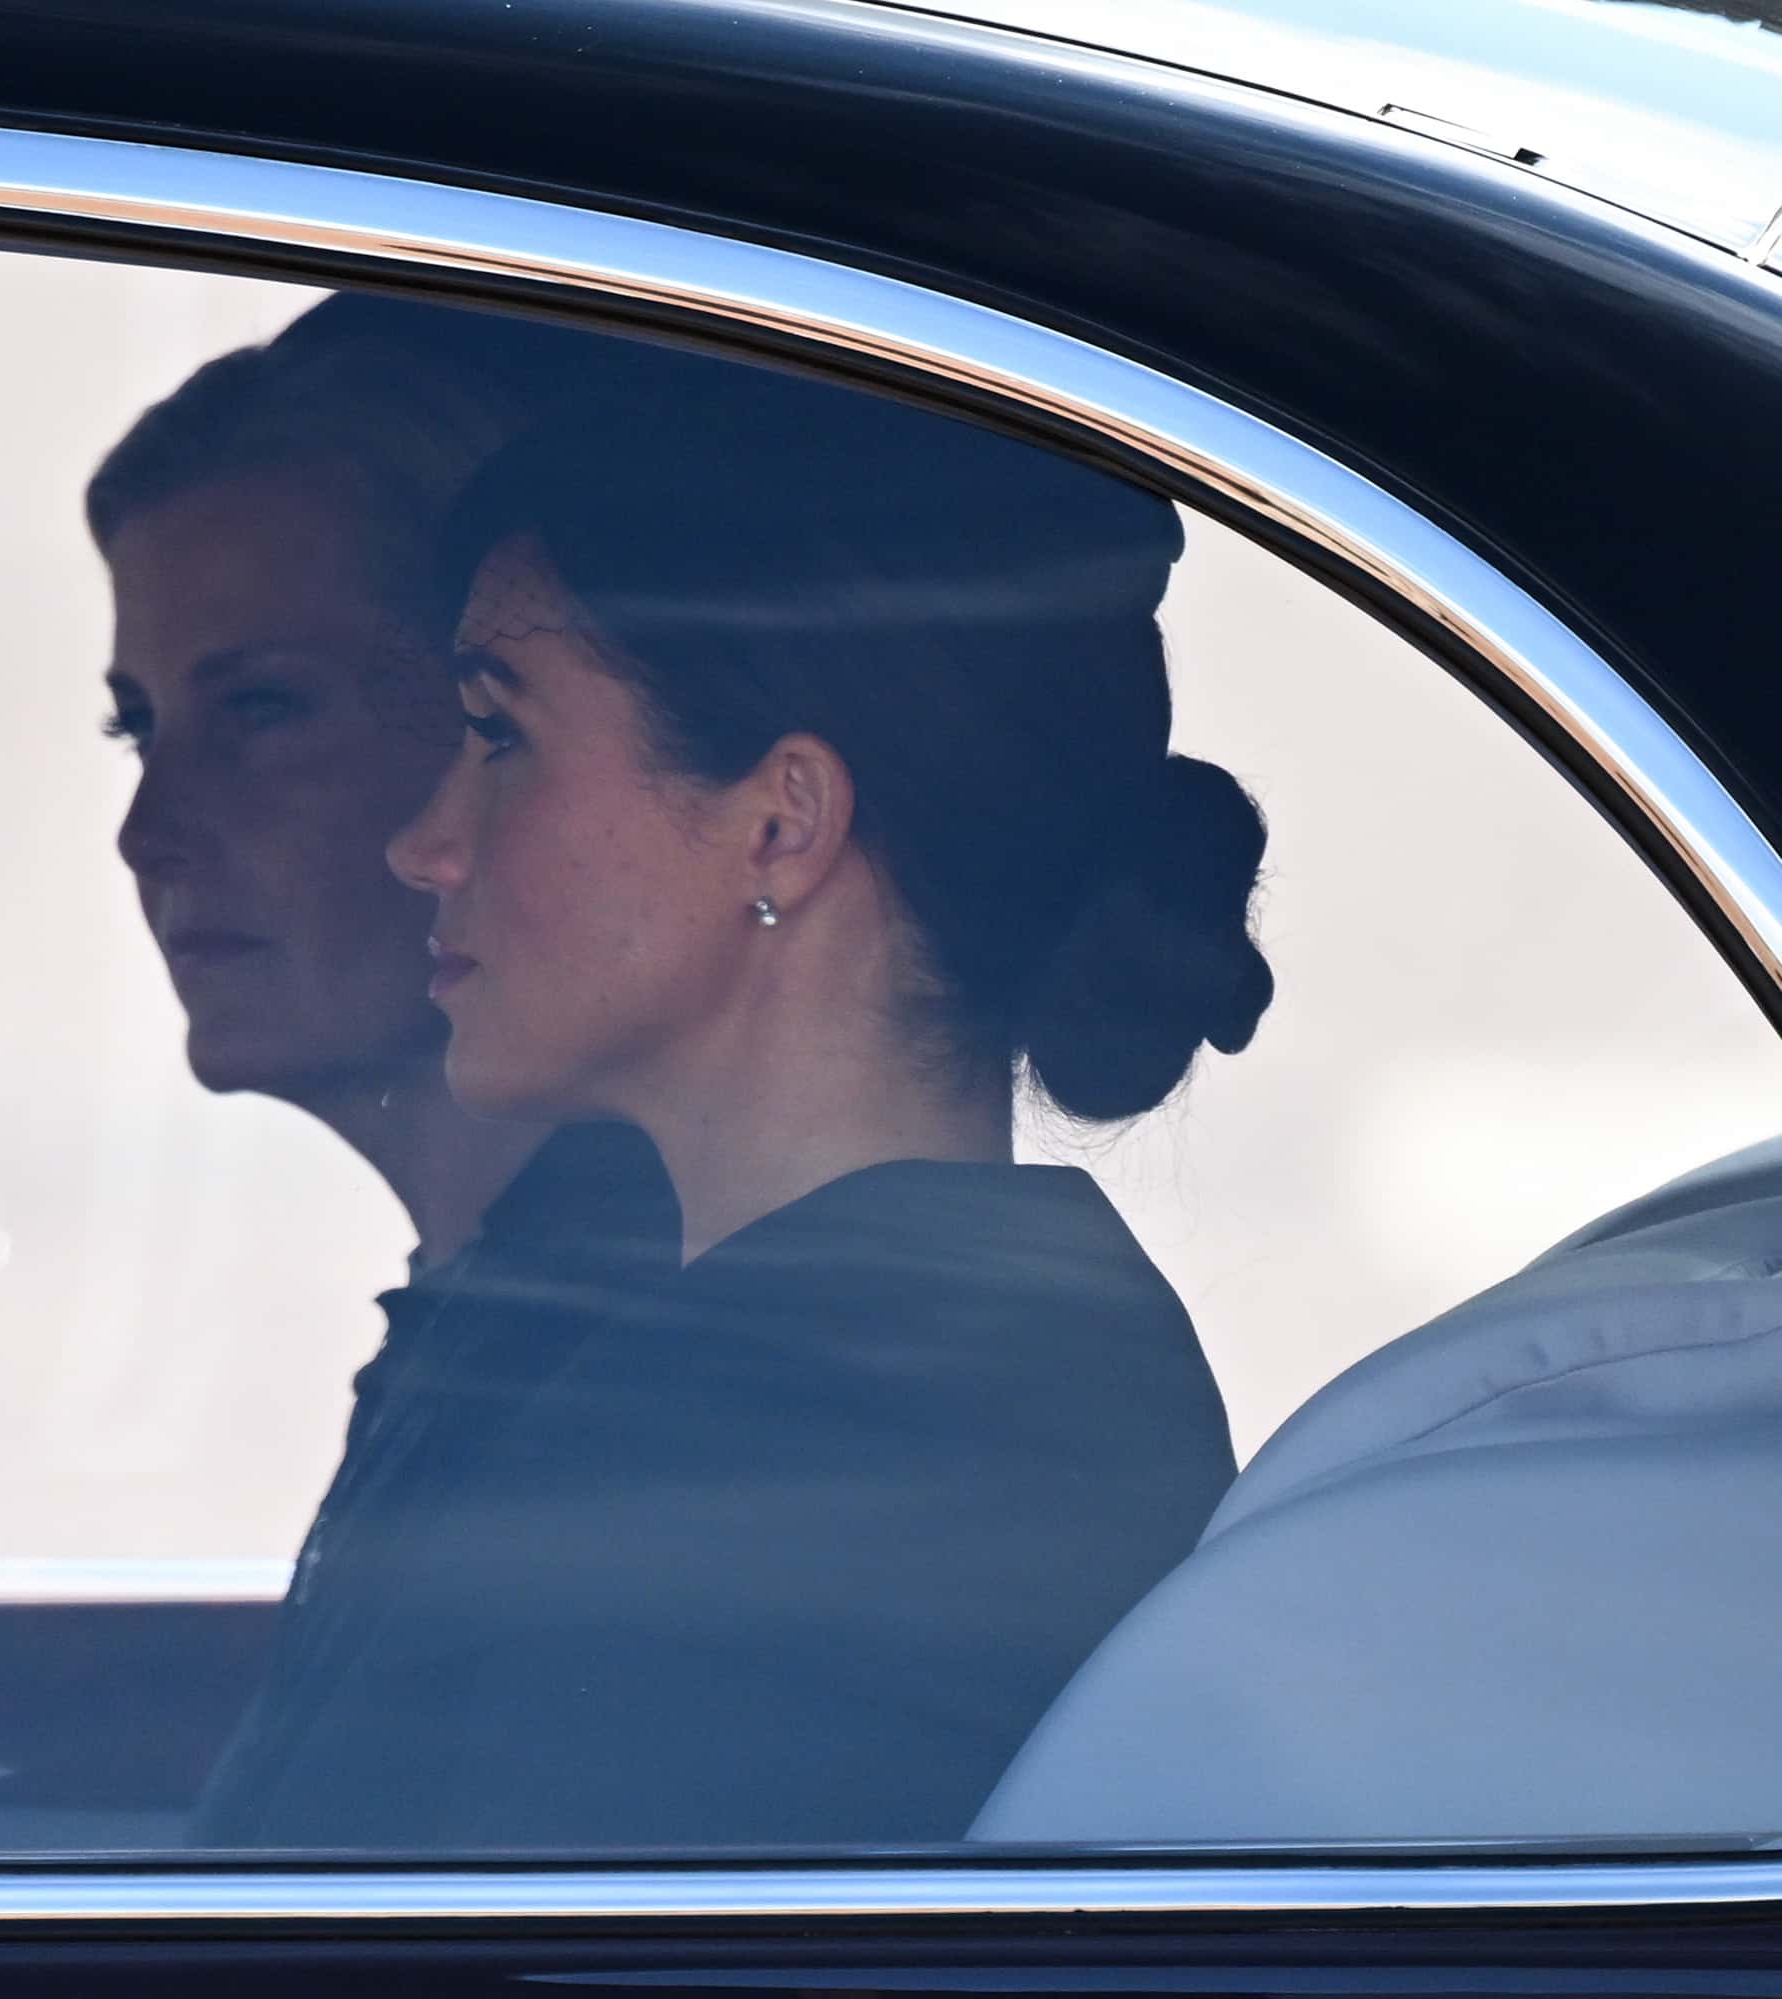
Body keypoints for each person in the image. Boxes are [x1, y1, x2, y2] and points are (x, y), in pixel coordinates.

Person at [218, 376, 1271, 1851]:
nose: (423, 843)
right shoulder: (907, 1354)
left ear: (781, 820)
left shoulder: (793, 1432)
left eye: (496, 732)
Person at [83, 296, 681, 1841]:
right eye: (139, 729)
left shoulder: (621, 1392)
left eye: (260, 709)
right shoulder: (495, 1320)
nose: (149, 835)